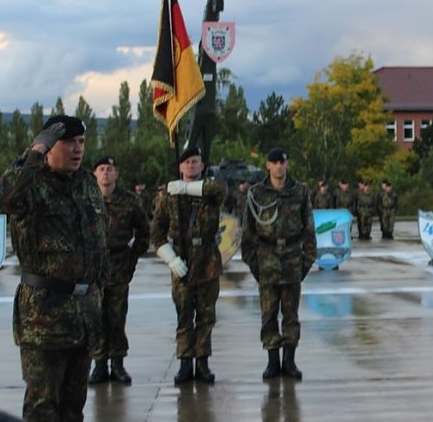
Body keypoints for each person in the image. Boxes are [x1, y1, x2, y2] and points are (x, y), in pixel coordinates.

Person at [0, 115, 106, 421]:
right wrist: (35, 151)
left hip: (84, 316)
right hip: (45, 318)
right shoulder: (31, 185)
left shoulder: (87, 185)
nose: (77, 149)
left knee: (73, 408)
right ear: (50, 146)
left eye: (81, 142)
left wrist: (97, 296)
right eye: (68, 142)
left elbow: (96, 245)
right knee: (43, 409)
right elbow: (1, 197)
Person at [151, 147, 226, 384]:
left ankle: (202, 363)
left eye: (196, 162)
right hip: (181, 258)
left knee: (206, 316)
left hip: (207, 262)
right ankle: (185, 363)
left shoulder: (211, 191)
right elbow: (157, 234)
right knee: (183, 316)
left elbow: (220, 189)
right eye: (187, 162)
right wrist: (170, 259)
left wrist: (184, 187)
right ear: (180, 167)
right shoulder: (167, 197)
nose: (191, 166)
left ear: (202, 166)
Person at [242, 147, 317, 381]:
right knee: (268, 314)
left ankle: (290, 362)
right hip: (267, 260)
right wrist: (255, 265)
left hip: (293, 259)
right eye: (274, 162)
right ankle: (272, 362)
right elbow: (247, 234)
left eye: (282, 162)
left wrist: (305, 261)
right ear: (267, 165)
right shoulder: (257, 193)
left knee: (291, 315)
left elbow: (309, 229)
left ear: (287, 164)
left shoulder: (300, 191)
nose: (278, 166)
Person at [88, 156, 150, 385]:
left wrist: (131, 259)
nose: (105, 173)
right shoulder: (86, 199)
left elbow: (144, 234)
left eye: (109, 169)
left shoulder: (130, 201)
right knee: (97, 317)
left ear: (116, 174)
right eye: (101, 169)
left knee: (116, 318)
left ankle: (118, 364)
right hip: (93, 268)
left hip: (119, 265)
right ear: (95, 174)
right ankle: (99, 364)